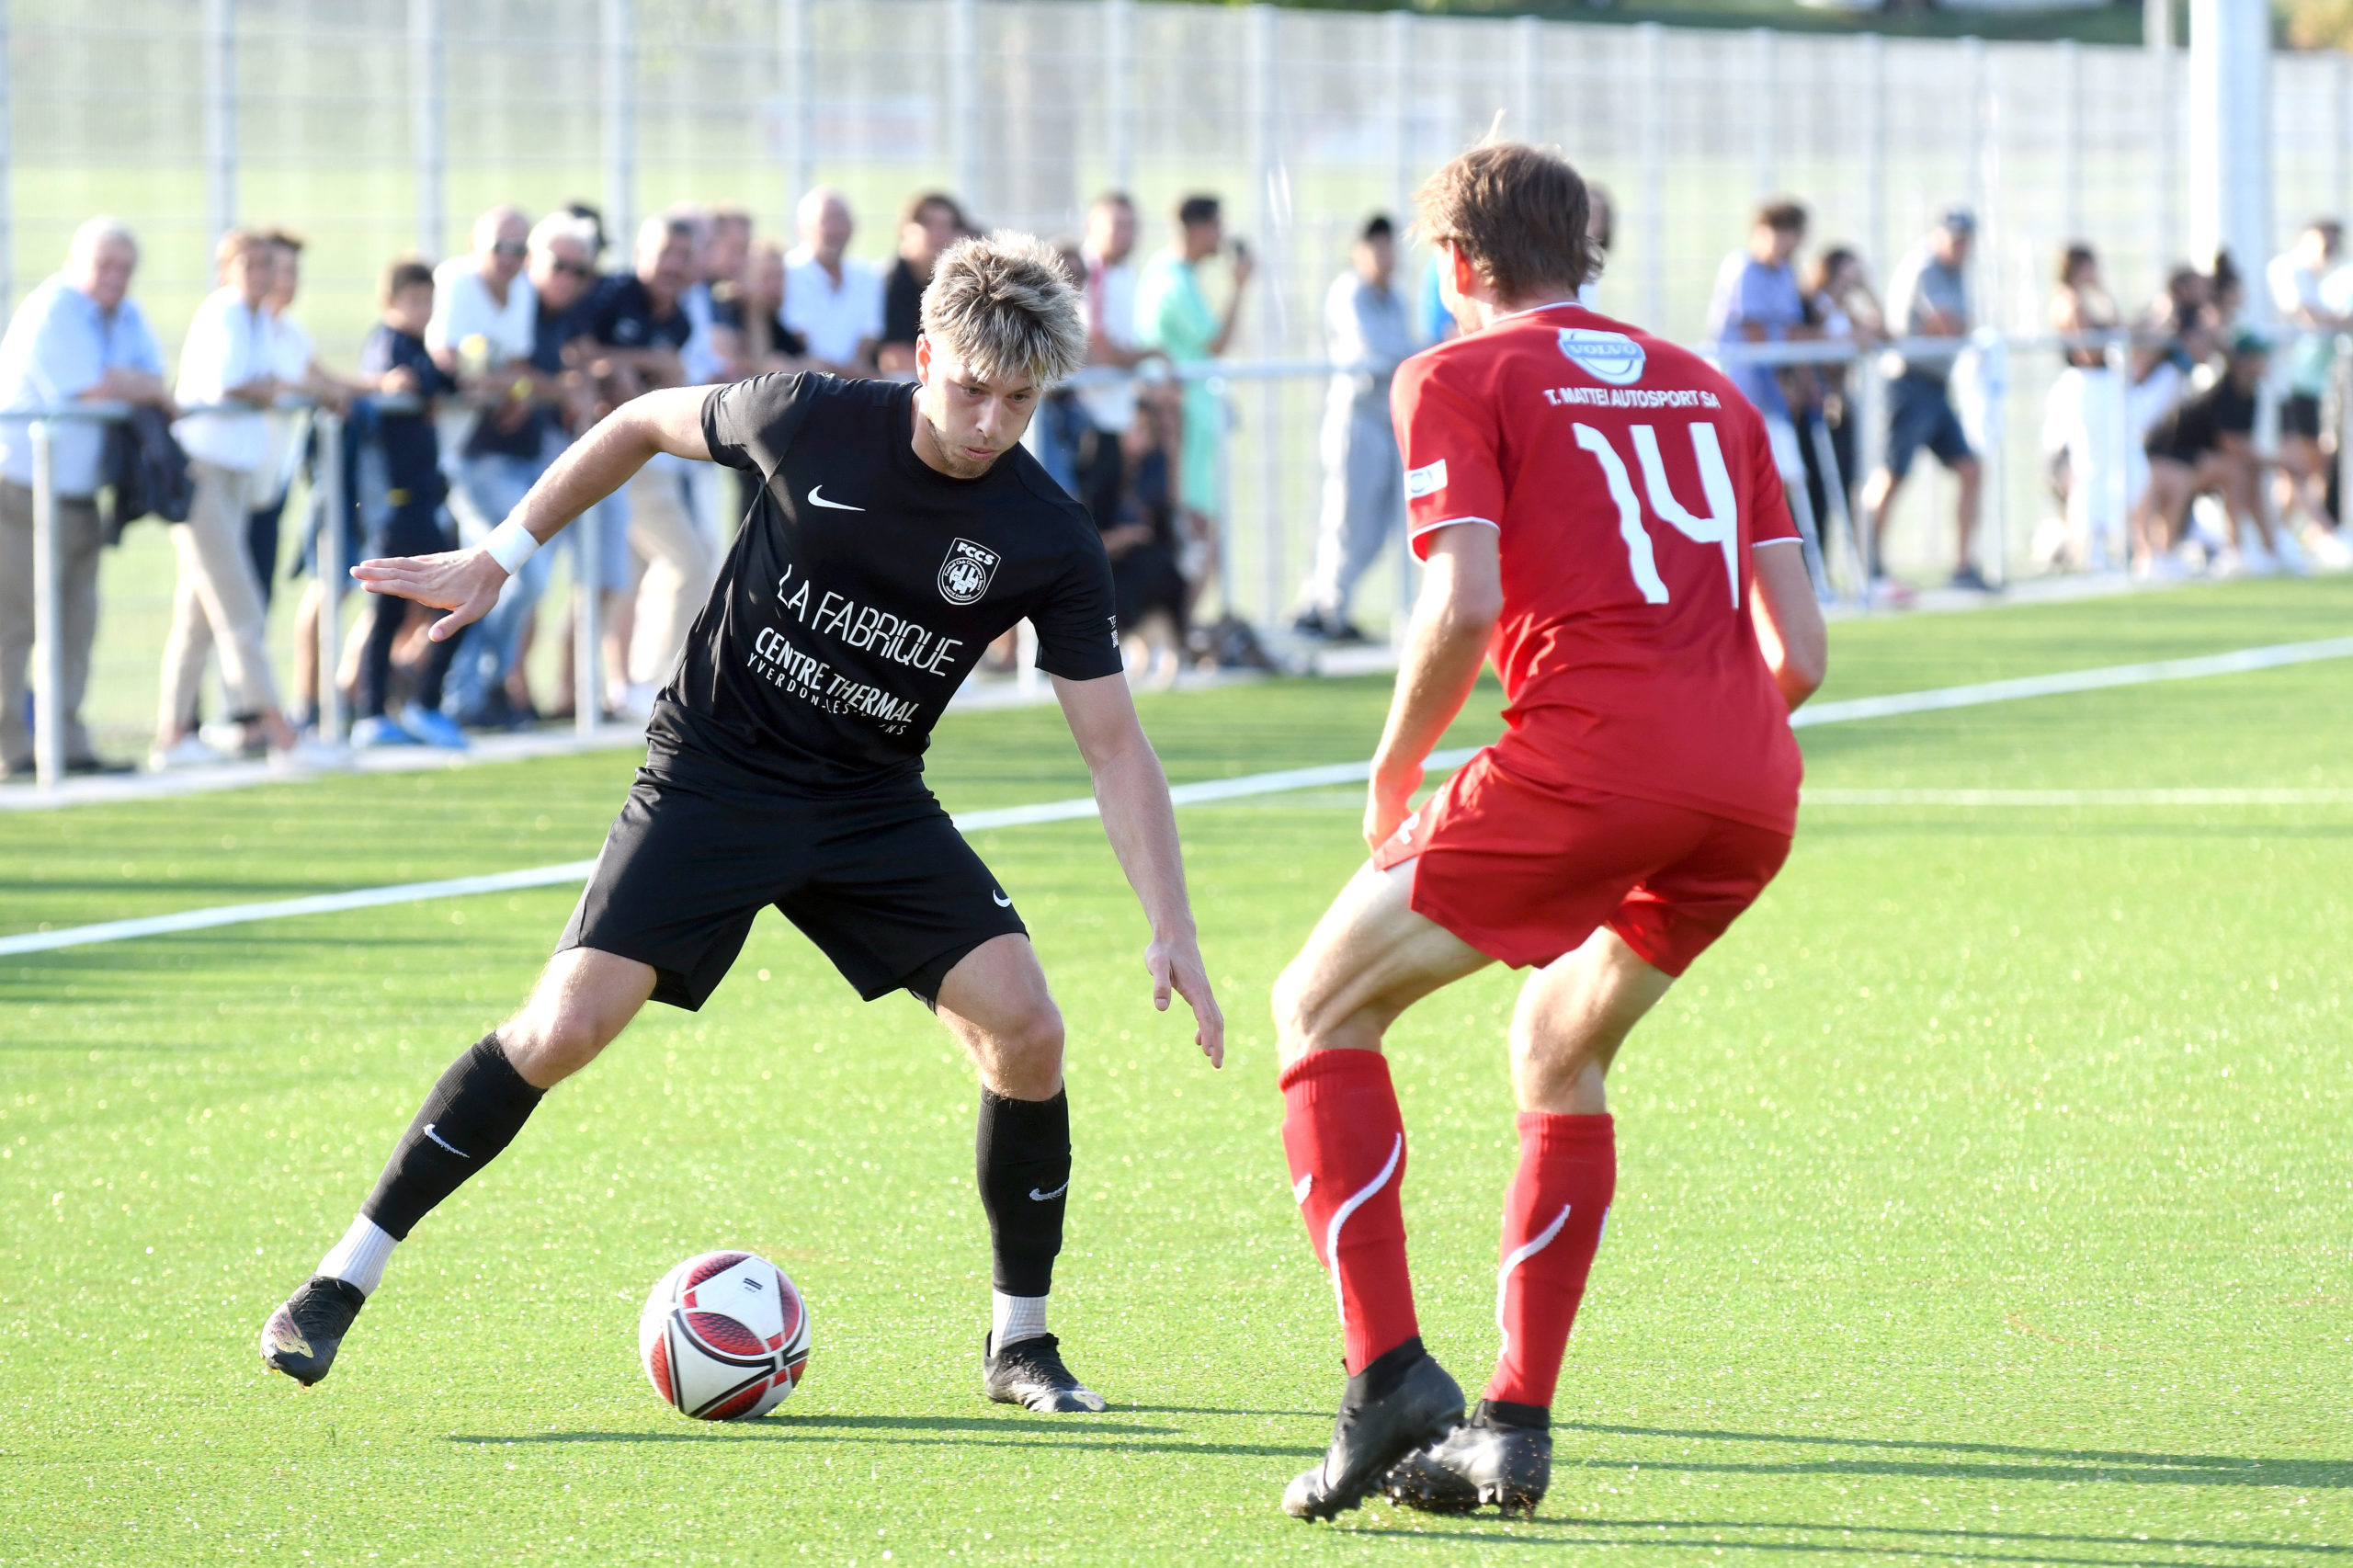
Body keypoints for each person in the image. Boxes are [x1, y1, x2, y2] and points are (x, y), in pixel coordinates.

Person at [258, 233, 1225, 1423]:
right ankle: (341, 1276)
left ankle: (1019, 1342)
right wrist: (502, 553)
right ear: (924, 356)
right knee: (565, 1025)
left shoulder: (1048, 535)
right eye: (970, 387)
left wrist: (1170, 921)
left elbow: (1115, 743)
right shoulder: (806, 415)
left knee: (1028, 1030)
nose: (988, 422)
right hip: (714, 774)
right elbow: (634, 425)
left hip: (870, 799)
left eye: (1018, 400)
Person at [1265, 142, 1824, 1523]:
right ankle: (1510, 1422)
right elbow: (1802, 649)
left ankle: (1386, 1371)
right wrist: (1692, 746)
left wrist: (1397, 766)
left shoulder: (1453, 373)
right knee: (1556, 1044)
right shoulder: (1710, 387)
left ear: (1456, 265)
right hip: (1750, 780)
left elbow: (1460, 604)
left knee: (1317, 1006)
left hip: (1589, 759)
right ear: (1589, 251)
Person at [0, 217, 171, 780]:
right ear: (77, 264)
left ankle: (67, 742)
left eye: (124, 268)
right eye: (104, 265)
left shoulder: (127, 316)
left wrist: (127, 382)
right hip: (22, 488)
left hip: (79, 494)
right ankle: (12, 748)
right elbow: (87, 387)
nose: (115, 278)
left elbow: (153, 378)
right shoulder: (54, 310)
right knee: (18, 620)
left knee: (77, 622)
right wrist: (131, 384)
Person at [157, 229, 332, 771]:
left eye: (266, 266)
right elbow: (230, 385)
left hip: (236, 477)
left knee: (197, 614)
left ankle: (172, 733)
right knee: (239, 604)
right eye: (249, 265)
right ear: (227, 270)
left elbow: (274, 382)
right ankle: (281, 734)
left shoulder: (259, 319)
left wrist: (278, 385)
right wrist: (276, 386)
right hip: (202, 473)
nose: (261, 275)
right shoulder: (225, 312)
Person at [446, 212, 603, 730]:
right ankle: (461, 688)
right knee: (511, 575)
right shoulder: (480, 288)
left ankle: (477, 686)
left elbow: (516, 375)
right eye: (560, 266)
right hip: (472, 454)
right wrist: (548, 389)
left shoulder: (534, 304)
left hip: (517, 458)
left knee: (518, 579)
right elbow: (488, 368)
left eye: (581, 271)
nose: (570, 279)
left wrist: (538, 388)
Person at [585, 214, 710, 717]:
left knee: (632, 574)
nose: (673, 266)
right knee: (688, 563)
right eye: (664, 253)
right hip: (607, 453)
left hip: (649, 459)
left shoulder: (678, 319)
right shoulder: (613, 294)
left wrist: (638, 368)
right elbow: (585, 356)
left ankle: (624, 685)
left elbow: (664, 379)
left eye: (684, 255)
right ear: (640, 254)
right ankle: (657, 683)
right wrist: (639, 363)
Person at [350, 257, 466, 749]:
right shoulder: (387, 342)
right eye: (414, 301)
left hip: (423, 499)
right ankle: (373, 714)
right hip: (395, 504)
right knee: (390, 613)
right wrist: (412, 381)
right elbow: (402, 381)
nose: (423, 311)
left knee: (454, 599)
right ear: (390, 302)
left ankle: (421, 704)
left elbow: (446, 383)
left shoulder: (419, 345)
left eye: (429, 302)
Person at [1292, 214, 1414, 642]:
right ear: (1358, 252)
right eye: (1375, 246)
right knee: (1346, 518)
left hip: (1388, 421)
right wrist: (1421, 353)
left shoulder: (1396, 297)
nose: (1384, 255)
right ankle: (1323, 608)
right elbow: (1377, 352)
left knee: (1378, 526)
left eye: (1388, 245)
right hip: (1356, 419)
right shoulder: (1349, 292)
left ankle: (1330, 603)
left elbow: (1400, 353)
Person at [1135, 194, 1252, 614]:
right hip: (1185, 423)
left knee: (1201, 532)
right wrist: (1239, 287)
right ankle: (1176, 633)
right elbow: (1215, 343)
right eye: (1216, 224)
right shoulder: (1172, 279)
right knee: (1196, 531)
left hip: (1194, 420)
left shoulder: (1172, 274)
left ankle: (1182, 633)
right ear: (1195, 227)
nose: (1221, 235)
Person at [1860, 209, 1984, 592]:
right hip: (1909, 384)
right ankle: (1869, 563)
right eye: (1954, 237)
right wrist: (1954, 329)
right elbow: (1947, 324)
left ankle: (1963, 566)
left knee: (1970, 468)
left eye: (1965, 239)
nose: (1960, 246)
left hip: (1936, 386)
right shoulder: (1926, 267)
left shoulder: (1956, 273)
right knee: (1893, 474)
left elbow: (1957, 328)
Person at [1706, 199, 1824, 585]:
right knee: (1739, 481)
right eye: (1779, 231)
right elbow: (1756, 334)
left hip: (1771, 399)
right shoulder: (1743, 268)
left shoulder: (1786, 273)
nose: (1785, 242)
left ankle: (1781, 573)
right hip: (1739, 395)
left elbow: (1789, 331)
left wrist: (1797, 386)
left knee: (1787, 480)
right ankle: (1732, 571)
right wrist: (1784, 383)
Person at [2131, 329, 2279, 579]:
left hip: (2194, 458)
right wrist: (2279, 461)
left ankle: (2269, 549)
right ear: (2243, 361)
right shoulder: (2225, 390)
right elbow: (2229, 443)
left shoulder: (2250, 393)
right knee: (2232, 472)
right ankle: (2232, 550)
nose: (2265, 362)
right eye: (2258, 356)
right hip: (2170, 455)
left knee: (2246, 471)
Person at [1074, 192, 1159, 528]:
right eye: (1117, 225)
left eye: (1131, 226)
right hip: (1088, 424)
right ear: (1092, 227)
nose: (1126, 233)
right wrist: (1152, 354)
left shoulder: (1123, 274)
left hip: (1116, 423)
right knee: (1090, 527)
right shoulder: (1090, 272)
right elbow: (1102, 352)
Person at [2042, 243, 2126, 571]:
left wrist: (2103, 294)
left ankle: (2100, 541)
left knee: (2102, 465)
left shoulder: (2084, 299)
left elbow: (2119, 326)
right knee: (2089, 467)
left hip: (2098, 385)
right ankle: (2088, 546)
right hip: (2086, 384)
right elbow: (2088, 353)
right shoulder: (2070, 302)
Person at [2266, 220, 2345, 545]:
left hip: (2305, 385)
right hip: (2279, 384)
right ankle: (2324, 531)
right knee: (2297, 463)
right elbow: (2309, 318)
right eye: (2323, 243)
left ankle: (2280, 534)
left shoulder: (2316, 280)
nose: (2328, 251)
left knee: (2313, 463)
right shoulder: (2289, 268)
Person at [783, 187, 882, 379]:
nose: (834, 229)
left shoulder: (868, 275)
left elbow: (869, 336)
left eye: (841, 220)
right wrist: (853, 376)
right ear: (801, 228)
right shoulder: (786, 273)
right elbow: (798, 341)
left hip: (852, 385)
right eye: (825, 221)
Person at [878, 191, 971, 376]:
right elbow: (891, 357)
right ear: (904, 228)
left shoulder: (964, 283)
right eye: (928, 224)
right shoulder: (885, 280)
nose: (939, 234)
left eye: (947, 225)